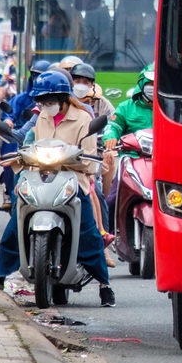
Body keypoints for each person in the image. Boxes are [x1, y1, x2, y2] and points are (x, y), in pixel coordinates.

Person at [0, 71, 116, 307]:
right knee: (16, 223)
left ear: (64, 97)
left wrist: (75, 160)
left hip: (72, 179)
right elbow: (29, 141)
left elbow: (90, 159)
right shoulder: (41, 116)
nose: (46, 104)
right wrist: (18, 157)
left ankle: (104, 285)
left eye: (50, 99)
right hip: (41, 177)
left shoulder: (83, 119)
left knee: (88, 232)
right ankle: (0, 274)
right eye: (43, 100)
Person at [70, 63, 117, 264]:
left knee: (95, 192)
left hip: (91, 155)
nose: (80, 85)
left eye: (85, 82)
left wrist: (109, 142)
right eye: (77, 81)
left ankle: (102, 245)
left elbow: (111, 124)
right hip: (62, 156)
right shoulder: (61, 101)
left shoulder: (100, 104)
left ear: (92, 84)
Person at [0, 60, 50, 212]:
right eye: (36, 77)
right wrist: (6, 124)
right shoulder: (34, 106)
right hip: (28, 144)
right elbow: (24, 131)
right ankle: (11, 196)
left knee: (88, 195)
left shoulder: (79, 113)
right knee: (12, 160)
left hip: (59, 159)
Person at [101, 65, 154, 218]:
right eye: (149, 84)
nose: (152, 88)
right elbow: (113, 126)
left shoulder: (169, 107)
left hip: (163, 159)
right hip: (132, 158)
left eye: (155, 84)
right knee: (114, 198)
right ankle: (108, 234)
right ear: (141, 84)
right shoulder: (126, 107)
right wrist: (110, 137)